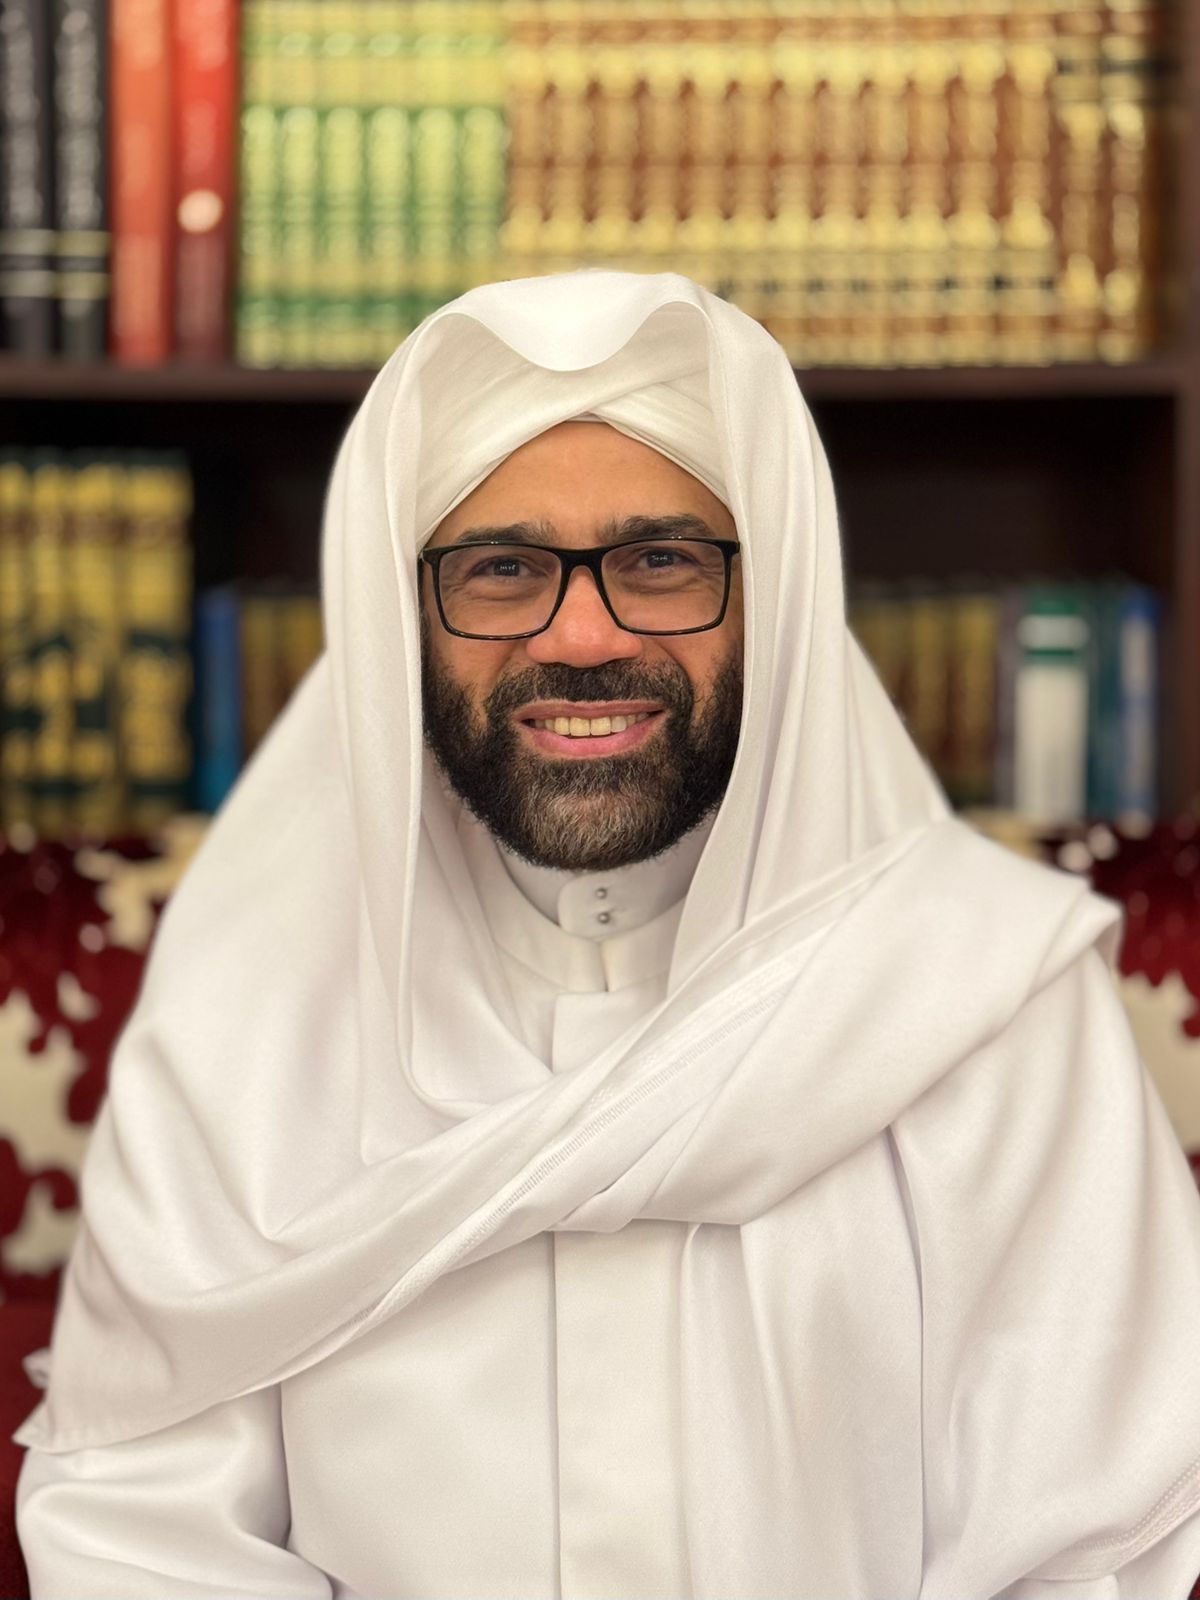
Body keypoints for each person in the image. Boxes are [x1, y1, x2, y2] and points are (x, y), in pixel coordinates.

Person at [14, 270, 1200, 1599]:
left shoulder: (990, 1005)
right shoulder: (246, 1024)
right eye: (502, 569)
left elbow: (1090, 1548)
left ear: (775, 603)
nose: (582, 636)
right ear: (400, 619)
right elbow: (138, 1528)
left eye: (661, 561)